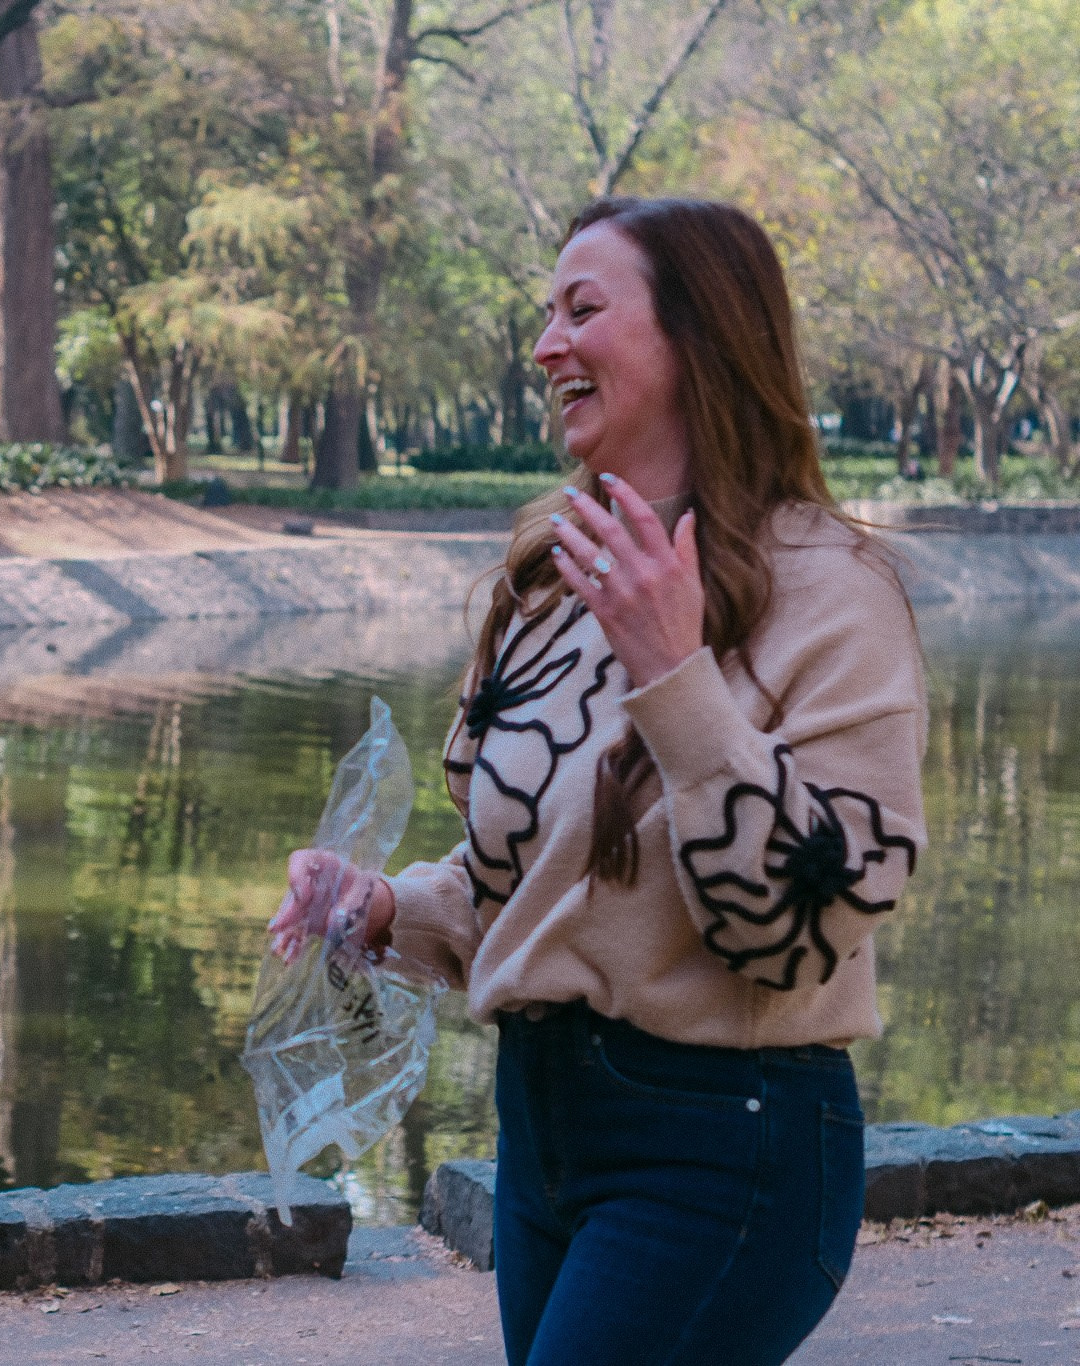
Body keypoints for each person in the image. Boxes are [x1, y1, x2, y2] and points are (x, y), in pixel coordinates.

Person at [271, 197, 925, 1365]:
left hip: (728, 1144)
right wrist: (380, 908)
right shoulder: (543, 584)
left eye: (582, 309)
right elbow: (524, 883)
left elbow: (797, 933)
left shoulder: (831, 591)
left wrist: (674, 675)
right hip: (540, 1137)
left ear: (698, 336)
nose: (543, 346)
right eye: (543, 315)